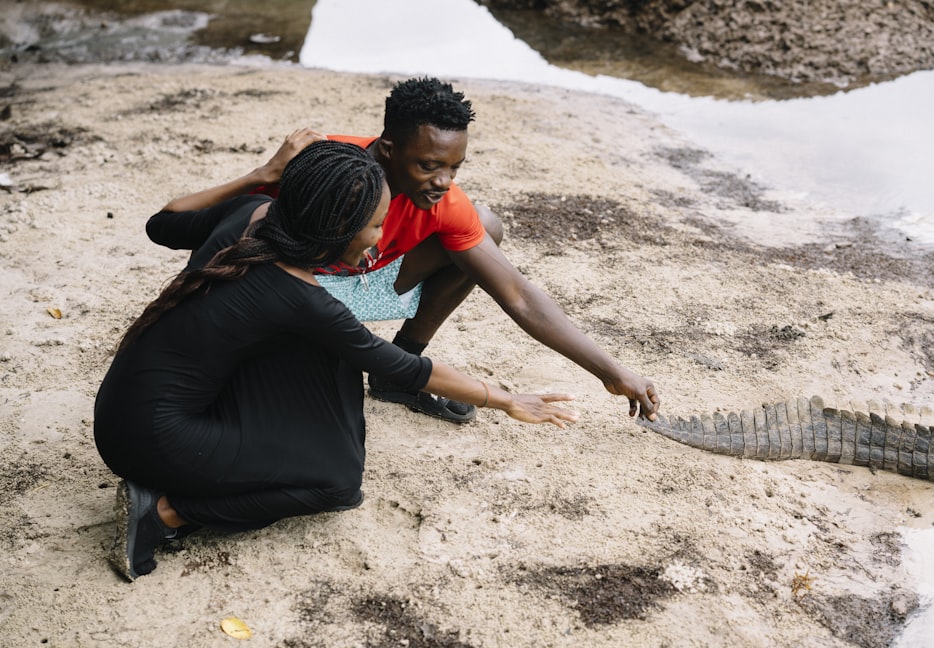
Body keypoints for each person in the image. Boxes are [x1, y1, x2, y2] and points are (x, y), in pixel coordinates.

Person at [94, 135, 579, 582]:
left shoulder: (253, 213)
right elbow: (403, 367)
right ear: (337, 228)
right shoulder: (299, 297)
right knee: (336, 483)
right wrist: (506, 399)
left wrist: (258, 175)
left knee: (325, 352)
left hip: (127, 403)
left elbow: (162, 223)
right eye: (374, 225)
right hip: (149, 440)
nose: (381, 235)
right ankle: (162, 513)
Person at [287, 77, 661, 425]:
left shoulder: (443, 199)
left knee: (484, 226)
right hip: (297, 290)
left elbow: (519, 295)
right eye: (429, 166)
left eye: (454, 167)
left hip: (369, 283)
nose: (443, 182)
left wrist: (612, 372)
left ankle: (397, 373)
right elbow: (247, 239)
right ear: (388, 150)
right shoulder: (325, 168)